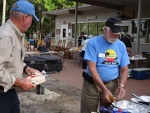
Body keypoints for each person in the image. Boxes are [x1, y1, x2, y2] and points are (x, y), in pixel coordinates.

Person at [80, 17, 130, 113]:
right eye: (114, 33)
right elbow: (92, 68)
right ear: (105, 29)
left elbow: (124, 69)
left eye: (118, 34)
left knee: (109, 111)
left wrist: (121, 86)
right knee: (88, 110)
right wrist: (104, 89)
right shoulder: (93, 43)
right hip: (92, 86)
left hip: (112, 85)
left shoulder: (121, 45)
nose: (116, 37)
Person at [0, 0, 41, 113]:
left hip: (10, 90)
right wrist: (21, 83)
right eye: (32, 19)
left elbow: (11, 59)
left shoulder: (16, 34)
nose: (31, 23)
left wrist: (26, 68)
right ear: (25, 18)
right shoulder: (6, 36)